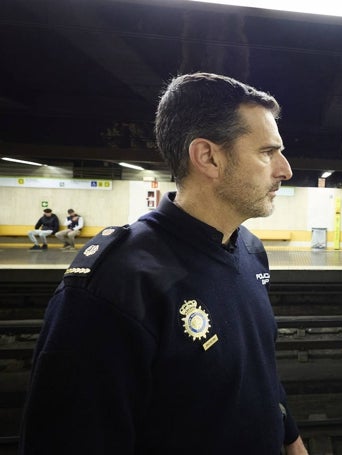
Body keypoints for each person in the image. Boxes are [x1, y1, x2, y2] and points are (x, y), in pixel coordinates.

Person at [20, 73, 309, 454]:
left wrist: (291, 442)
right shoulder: (116, 282)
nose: (284, 169)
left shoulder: (250, 251)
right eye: (267, 152)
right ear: (208, 157)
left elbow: (260, 375)